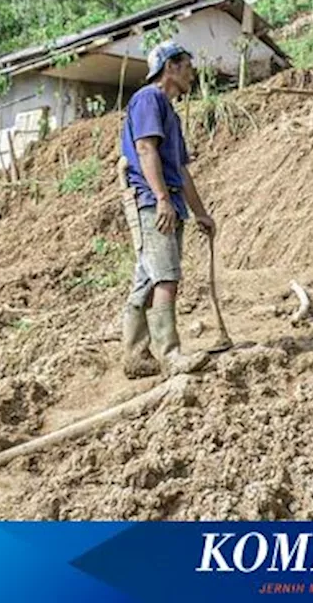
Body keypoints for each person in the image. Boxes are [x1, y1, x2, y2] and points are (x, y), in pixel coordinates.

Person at [118, 41, 215, 377]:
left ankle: (136, 357)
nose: (192, 72)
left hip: (167, 201)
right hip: (153, 202)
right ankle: (170, 356)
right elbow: (145, 149)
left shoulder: (169, 112)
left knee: (147, 280)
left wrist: (200, 212)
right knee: (166, 278)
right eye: (187, 65)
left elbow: (182, 169)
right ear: (170, 67)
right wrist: (160, 198)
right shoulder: (149, 99)